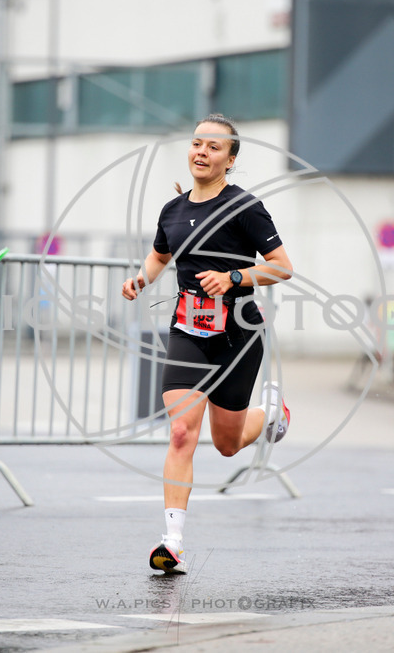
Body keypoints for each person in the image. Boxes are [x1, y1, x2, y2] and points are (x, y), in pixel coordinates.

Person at [121, 113, 293, 575]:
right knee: (181, 433)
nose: (202, 152)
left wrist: (235, 276)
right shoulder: (172, 211)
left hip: (239, 336)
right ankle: (171, 542)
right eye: (197, 143)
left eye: (214, 147)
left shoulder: (246, 208)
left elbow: (282, 266)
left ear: (230, 159)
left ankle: (272, 415)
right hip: (188, 333)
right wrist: (140, 279)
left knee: (228, 445)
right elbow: (160, 255)